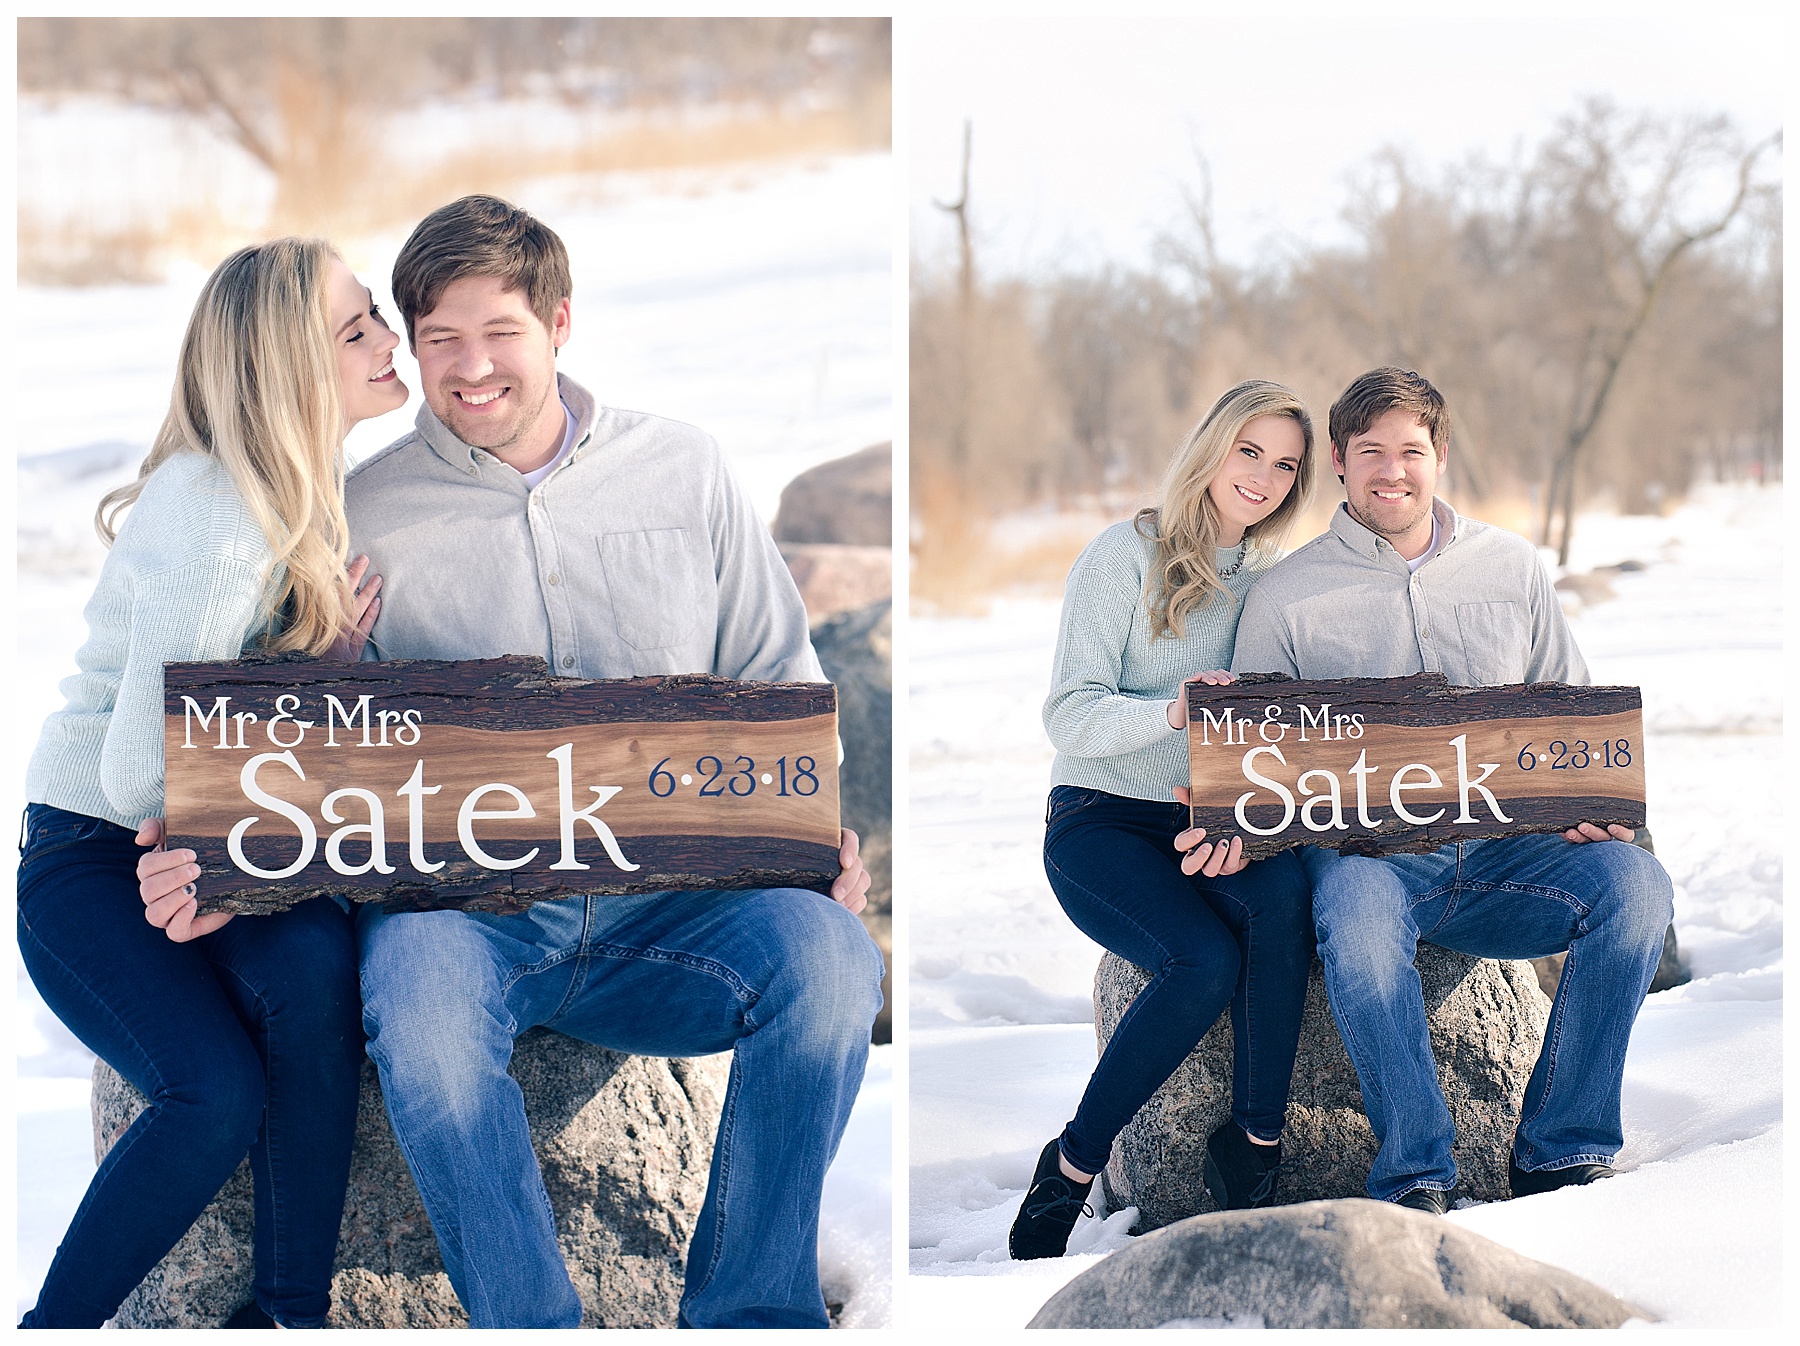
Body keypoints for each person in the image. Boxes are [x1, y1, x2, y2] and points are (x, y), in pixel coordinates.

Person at [307, 195, 877, 1329]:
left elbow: (775, 681)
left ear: (559, 322)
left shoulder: (685, 471)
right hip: (467, 914)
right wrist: (329, 667)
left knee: (831, 962)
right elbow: (310, 760)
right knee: (416, 1001)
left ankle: (750, 1313)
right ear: (412, 346)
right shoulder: (356, 510)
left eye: (499, 332)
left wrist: (810, 843)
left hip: (670, 910)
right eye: (439, 340)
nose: (471, 368)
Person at [18, 239, 403, 1327]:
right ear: (287, 367)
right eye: (354, 329)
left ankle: (285, 1311)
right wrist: (306, 684)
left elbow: (235, 721)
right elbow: (144, 767)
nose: (387, 340)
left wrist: (313, 675)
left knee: (316, 966)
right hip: (98, 855)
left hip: (213, 839)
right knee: (214, 1091)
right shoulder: (222, 514)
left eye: (374, 314)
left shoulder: (299, 487)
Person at [1231, 366, 1674, 1213]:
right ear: (1337, 460)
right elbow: (1260, 759)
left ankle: (1561, 1150)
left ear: (1439, 458)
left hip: (1512, 849)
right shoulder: (1287, 597)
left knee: (1639, 889)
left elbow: (1567, 712)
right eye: (1371, 453)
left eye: (1411, 451)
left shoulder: (1510, 567)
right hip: (1373, 861)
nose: (1391, 471)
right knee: (1358, 928)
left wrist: (1592, 802)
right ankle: (1417, 1171)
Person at [1008, 381, 1321, 1261]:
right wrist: (1170, 711)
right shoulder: (1123, 555)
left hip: (1216, 819)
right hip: (1101, 819)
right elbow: (1069, 714)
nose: (1263, 476)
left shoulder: (1273, 581)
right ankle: (1071, 1165)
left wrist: (1247, 818)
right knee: (1202, 961)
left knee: (1285, 898)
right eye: (1249, 451)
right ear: (1213, 447)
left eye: (1285, 464)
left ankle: (1255, 1147)